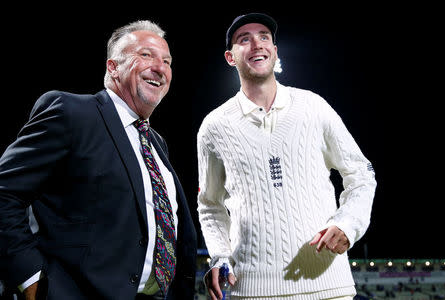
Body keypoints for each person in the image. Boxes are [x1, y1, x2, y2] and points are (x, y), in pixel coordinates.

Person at [0, 20, 197, 300]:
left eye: (167, 60)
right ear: (112, 67)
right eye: (146, 55)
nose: (160, 67)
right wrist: (31, 280)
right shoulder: (72, 113)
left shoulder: (156, 142)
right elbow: (4, 192)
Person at [197, 13, 376, 300]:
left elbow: (361, 174)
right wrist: (220, 255)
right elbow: (209, 204)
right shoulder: (214, 126)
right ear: (230, 57)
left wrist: (348, 223)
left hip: (329, 285)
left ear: (274, 51)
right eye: (245, 39)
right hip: (252, 290)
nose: (257, 44)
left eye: (264, 37)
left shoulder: (313, 107)